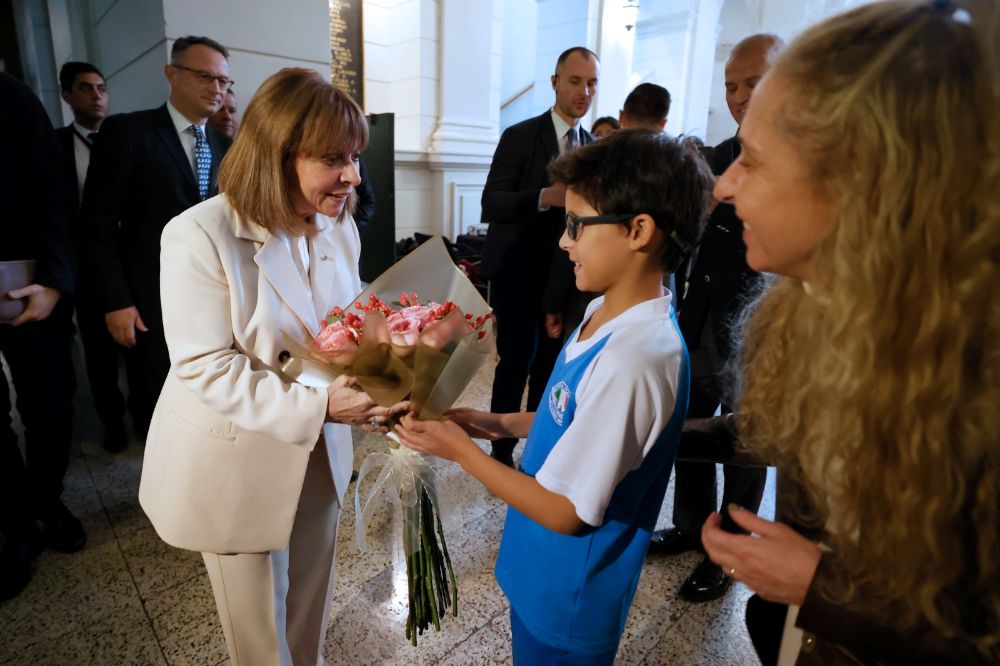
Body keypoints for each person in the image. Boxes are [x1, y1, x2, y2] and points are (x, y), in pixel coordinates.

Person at [686, 1, 998, 664]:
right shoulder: (809, 307)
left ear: (862, 183)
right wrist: (619, 431)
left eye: (752, 160)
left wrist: (818, 588)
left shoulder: (979, 385)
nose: (725, 185)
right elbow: (770, 431)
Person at [398, 129, 713, 663]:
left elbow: (570, 512)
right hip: (542, 567)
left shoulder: (637, 357)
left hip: (572, 593)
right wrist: (498, 424)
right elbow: (571, 412)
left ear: (638, 230)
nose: (564, 241)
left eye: (576, 226)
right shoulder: (605, 312)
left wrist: (460, 451)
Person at [138, 68, 405, 665]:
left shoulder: (336, 224)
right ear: (277, 155)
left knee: (310, 598)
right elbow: (204, 364)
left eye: (356, 156)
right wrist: (322, 405)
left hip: (321, 447)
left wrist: (394, 351)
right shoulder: (198, 235)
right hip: (239, 454)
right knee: (258, 630)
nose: (354, 176)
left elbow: (345, 315)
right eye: (334, 159)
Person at [649, 33, 783, 603]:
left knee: (747, 443)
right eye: (730, 85)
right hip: (700, 319)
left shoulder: (806, 162)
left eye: (752, 81)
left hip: (762, 331)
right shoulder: (718, 158)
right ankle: (690, 524)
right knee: (692, 428)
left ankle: (730, 548)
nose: (738, 95)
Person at [81, 35, 233, 440]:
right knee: (156, 396)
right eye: (205, 76)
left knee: (208, 397)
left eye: (223, 82)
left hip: (213, 298)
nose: (216, 89)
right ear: (172, 74)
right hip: (148, 298)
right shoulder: (128, 133)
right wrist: (116, 301)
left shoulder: (228, 146)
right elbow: (97, 225)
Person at [480, 46, 599, 467]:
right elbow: (491, 203)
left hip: (566, 278)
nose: (584, 91)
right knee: (515, 362)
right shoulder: (520, 135)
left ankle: (539, 448)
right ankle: (499, 451)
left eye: (591, 83)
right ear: (554, 82)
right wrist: (545, 197)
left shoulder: (591, 148)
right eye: (574, 80)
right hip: (517, 271)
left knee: (553, 369)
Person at [0, 73, 81, 600]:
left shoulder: (9, 98)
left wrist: (54, 280)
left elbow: (55, 193)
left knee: (49, 405)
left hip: (27, 285)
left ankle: (47, 499)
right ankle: (16, 521)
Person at [54, 61, 133, 454]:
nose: (96, 96)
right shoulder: (54, 146)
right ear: (67, 95)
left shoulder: (127, 138)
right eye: (85, 88)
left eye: (101, 88)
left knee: (139, 349)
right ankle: (112, 422)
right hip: (86, 268)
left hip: (130, 263)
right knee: (99, 353)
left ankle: (144, 416)